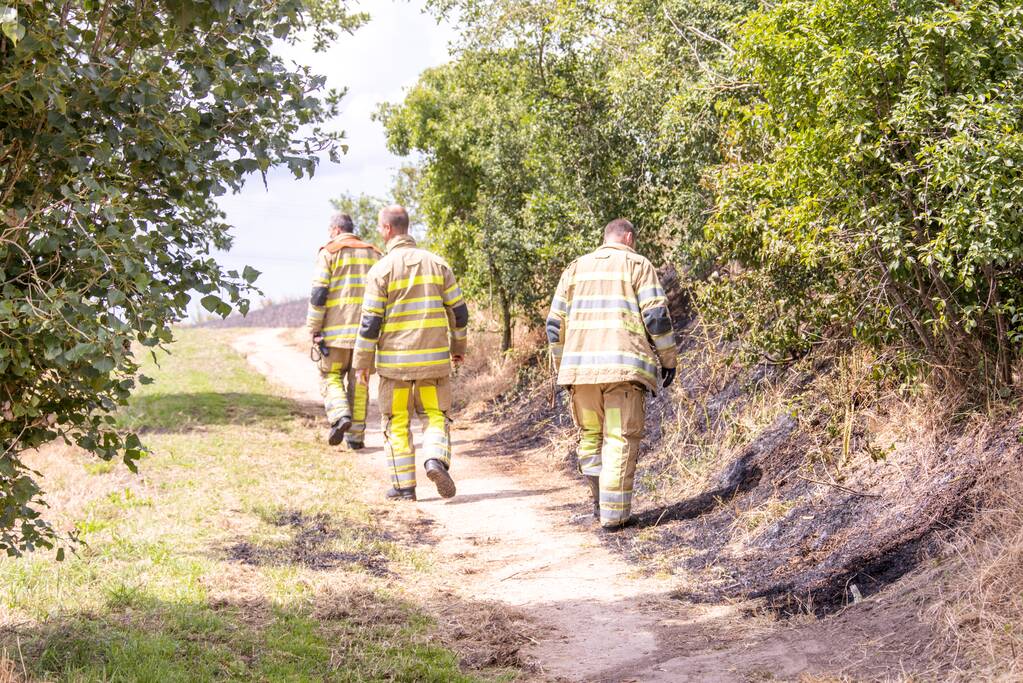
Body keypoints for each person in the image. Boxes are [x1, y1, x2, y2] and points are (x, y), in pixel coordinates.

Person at [546, 218, 678, 529]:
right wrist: (668, 359)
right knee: (619, 438)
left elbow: (554, 326)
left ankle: (597, 500)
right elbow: (656, 317)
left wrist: (562, 366)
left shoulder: (575, 268)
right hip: (623, 370)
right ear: (629, 238)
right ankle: (614, 516)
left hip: (580, 372)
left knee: (591, 437)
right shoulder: (637, 264)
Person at [354, 206, 469, 501]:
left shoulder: (380, 270)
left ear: (386, 229)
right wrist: (458, 348)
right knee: (434, 416)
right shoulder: (438, 264)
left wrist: (362, 363)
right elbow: (459, 312)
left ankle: (404, 487)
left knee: (397, 422)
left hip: (396, 368)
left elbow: (370, 324)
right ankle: (434, 460)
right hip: (433, 364)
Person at [307, 213, 381, 449]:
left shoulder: (329, 252)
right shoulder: (375, 254)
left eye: (330, 232)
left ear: (336, 230)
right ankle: (356, 439)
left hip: (335, 336)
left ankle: (340, 416)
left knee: (330, 376)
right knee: (360, 384)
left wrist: (314, 328)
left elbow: (319, 294)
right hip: (366, 337)